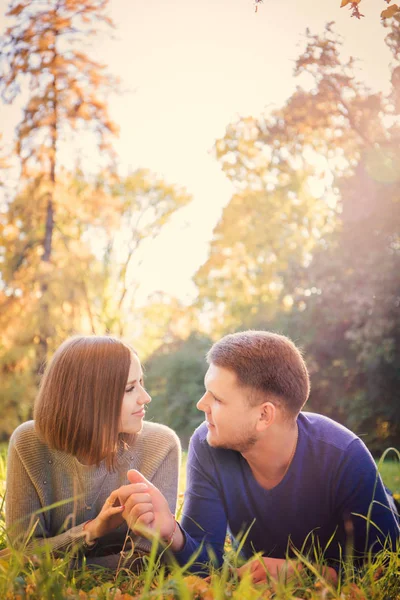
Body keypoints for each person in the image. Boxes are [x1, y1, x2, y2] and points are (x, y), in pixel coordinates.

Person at [117, 330, 399, 582]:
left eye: (217, 398)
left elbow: (383, 566)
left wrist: (311, 572)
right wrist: (172, 535)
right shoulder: (207, 444)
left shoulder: (345, 456)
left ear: (264, 415)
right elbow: (206, 562)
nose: (201, 403)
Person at [5, 335, 180, 571]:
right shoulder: (28, 443)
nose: (145, 397)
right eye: (130, 388)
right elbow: (23, 550)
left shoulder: (161, 446)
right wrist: (92, 529)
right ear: (88, 398)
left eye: (141, 382)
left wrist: (57, 566)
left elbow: (147, 560)